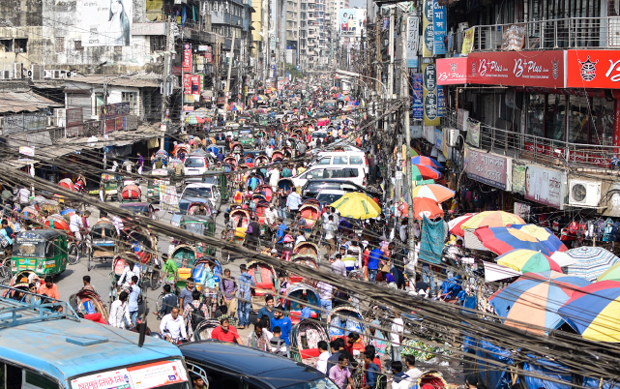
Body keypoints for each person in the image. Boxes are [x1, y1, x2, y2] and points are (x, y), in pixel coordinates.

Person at [237, 264, 255, 329]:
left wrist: (242, 297)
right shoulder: (250, 276)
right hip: (248, 296)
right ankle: (246, 325)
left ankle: (241, 324)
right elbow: (253, 285)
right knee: (247, 311)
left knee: (240, 310)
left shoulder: (241, 277)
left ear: (241, 269)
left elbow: (242, 288)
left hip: (242, 296)